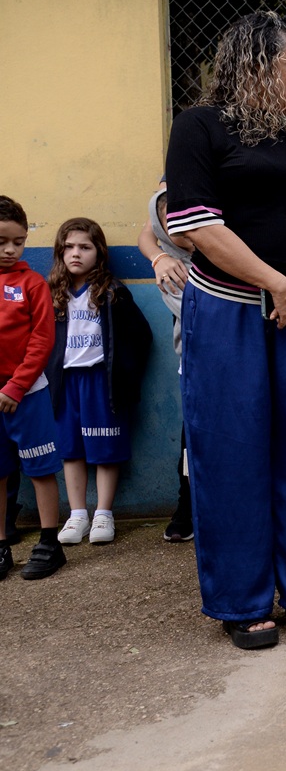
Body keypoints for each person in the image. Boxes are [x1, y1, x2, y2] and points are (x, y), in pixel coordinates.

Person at [165, 11, 286, 650]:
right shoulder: (199, 127)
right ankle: (243, 600)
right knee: (233, 452)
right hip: (227, 309)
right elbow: (195, 225)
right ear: (257, 63)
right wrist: (277, 281)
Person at [47, 218, 152, 546]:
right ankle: (78, 514)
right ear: (60, 252)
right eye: (69, 247)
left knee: (105, 448)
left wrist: (124, 374)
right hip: (65, 384)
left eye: (84, 247)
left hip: (101, 383)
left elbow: (141, 336)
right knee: (71, 450)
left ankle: (104, 513)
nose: (75, 253)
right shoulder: (53, 294)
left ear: (99, 252)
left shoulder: (112, 292)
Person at [0, 196, 66, 580]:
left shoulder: (32, 284)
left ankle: (49, 543)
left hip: (28, 394)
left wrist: (16, 386)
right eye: (2, 241)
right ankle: (2, 547)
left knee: (40, 468)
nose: (11, 249)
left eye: (19, 241)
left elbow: (42, 341)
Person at [136, 183, 196, 542]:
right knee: (192, 441)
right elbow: (151, 230)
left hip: (245, 361)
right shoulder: (173, 269)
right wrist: (159, 257)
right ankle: (186, 507)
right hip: (196, 364)